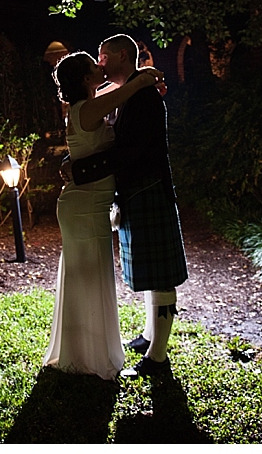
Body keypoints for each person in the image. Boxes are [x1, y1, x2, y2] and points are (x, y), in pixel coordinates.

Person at [67, 33, 189, 379]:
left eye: (103, 57)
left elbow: (129, 151)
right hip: (137, 191)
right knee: (152, 271)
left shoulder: (144, 96)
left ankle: (158, 358)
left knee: (161, 275)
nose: (99, 63)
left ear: (122, 55)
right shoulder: (130, 91)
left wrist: (79, 170)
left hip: (148, 189)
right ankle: (150, 335)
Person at [43, 51, 165, 380]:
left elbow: (121, 88)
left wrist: (146, 78)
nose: (101, 67)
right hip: (84, 206)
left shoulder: (86, 105)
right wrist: (146, 77)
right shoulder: (89, 108)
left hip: (86, 205)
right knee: (91, 278)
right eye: (94, 65)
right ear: (86, 79)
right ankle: (90, 359)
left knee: (87, 279)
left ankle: (80, 353)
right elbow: (127, 89)